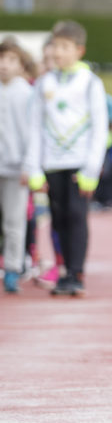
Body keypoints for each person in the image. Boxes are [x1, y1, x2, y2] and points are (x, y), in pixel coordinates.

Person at [23, 20, 110, 297]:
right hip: (52, 163)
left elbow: (99, 127)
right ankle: (63, 271)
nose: (58, 52)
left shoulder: (90, 83)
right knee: (58, 219)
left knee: (76, 217)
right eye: (55, 46)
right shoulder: (44, 83)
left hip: (79, 164)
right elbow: (34, 126)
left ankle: (76, 272)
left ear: (79, 50)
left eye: (64, 47)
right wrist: (34, 168)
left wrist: (91, 169)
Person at [0, 37, 34, 293]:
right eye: (1, 59)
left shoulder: (27, 94)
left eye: (11, 60)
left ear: (21, 65)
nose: (4, 65)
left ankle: (12, 268)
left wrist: (28, 166)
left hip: (15, 169)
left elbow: (33, 134)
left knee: (14, 221)